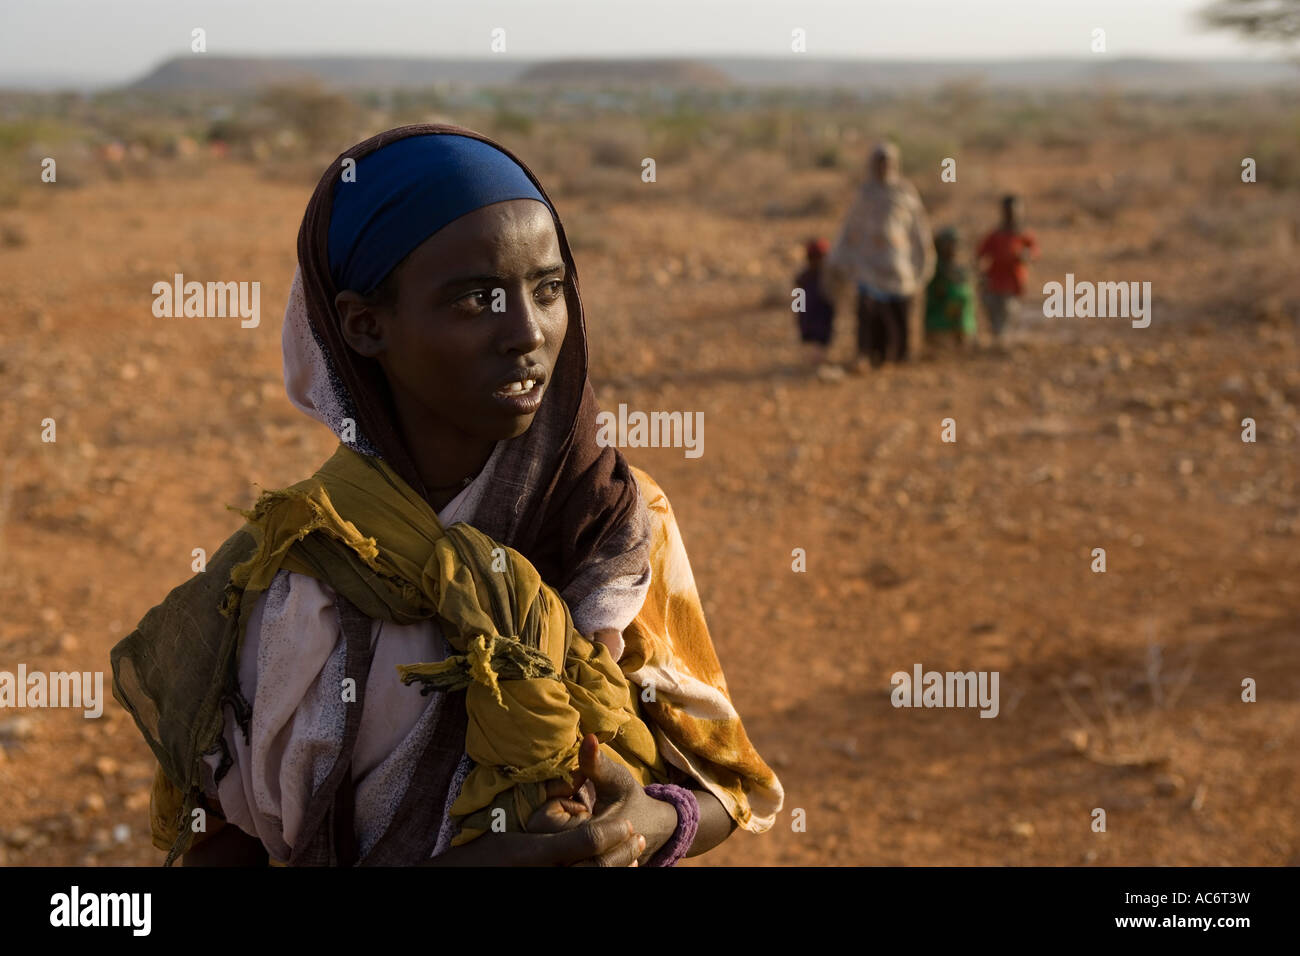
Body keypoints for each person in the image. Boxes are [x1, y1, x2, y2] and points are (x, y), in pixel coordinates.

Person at [111, 125, 783, 868]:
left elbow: (727, 786)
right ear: (365, 326)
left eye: (550, 289)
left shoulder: (613, 524)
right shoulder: (292, 561)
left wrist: (647, 827)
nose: (528, 333)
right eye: (475, 300)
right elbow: (217, 840)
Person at [826, 141, 935, 370]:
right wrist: (838, 257)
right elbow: (849, 229)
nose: (884, 167)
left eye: (888, 163)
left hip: (898, 264)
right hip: (869, 265)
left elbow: (918, 230)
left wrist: (924, 258)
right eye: (880, 162)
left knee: (899, 314)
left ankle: (900, 356)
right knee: (868, 312)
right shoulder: (865, 194)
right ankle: (868, 355)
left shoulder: (904, 193)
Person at [976, 194, 1039, 342]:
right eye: (1009, 211)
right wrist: (981, 272)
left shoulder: (1024, 234)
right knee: (995, 314)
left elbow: (1035, 252)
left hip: (1013, 283)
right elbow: (980, 254)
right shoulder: (995, 234)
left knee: (1007, 314)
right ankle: (999, 341)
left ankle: (1001, 342)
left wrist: (1027, 255)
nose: (1012, 215)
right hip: (994, 282)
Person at [924, 227, 977, 351]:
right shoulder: (935, 268)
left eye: (955, 244)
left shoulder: (959, 268)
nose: (953, 248)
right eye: (949, 244)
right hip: (939, 324)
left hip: (960, 323)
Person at [793, 237, 835, 368]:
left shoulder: (824, 277)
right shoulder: (806, 278)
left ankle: (816, 360)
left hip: (821, 315)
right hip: (811, 316)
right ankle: (815, 361)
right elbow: (798, 298)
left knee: (819, 340)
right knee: (815, 339)